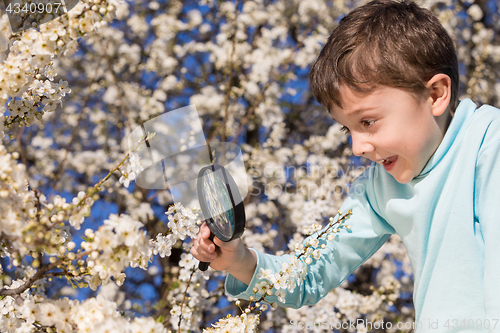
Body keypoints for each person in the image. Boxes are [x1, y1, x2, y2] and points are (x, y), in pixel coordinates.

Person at [191, 0, 500, 330]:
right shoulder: (380, 189)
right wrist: (239, 260)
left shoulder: (488, 144)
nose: (356, 148)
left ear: (436, 94)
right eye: (346, 129)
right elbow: (311, 272)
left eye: (367, 121)